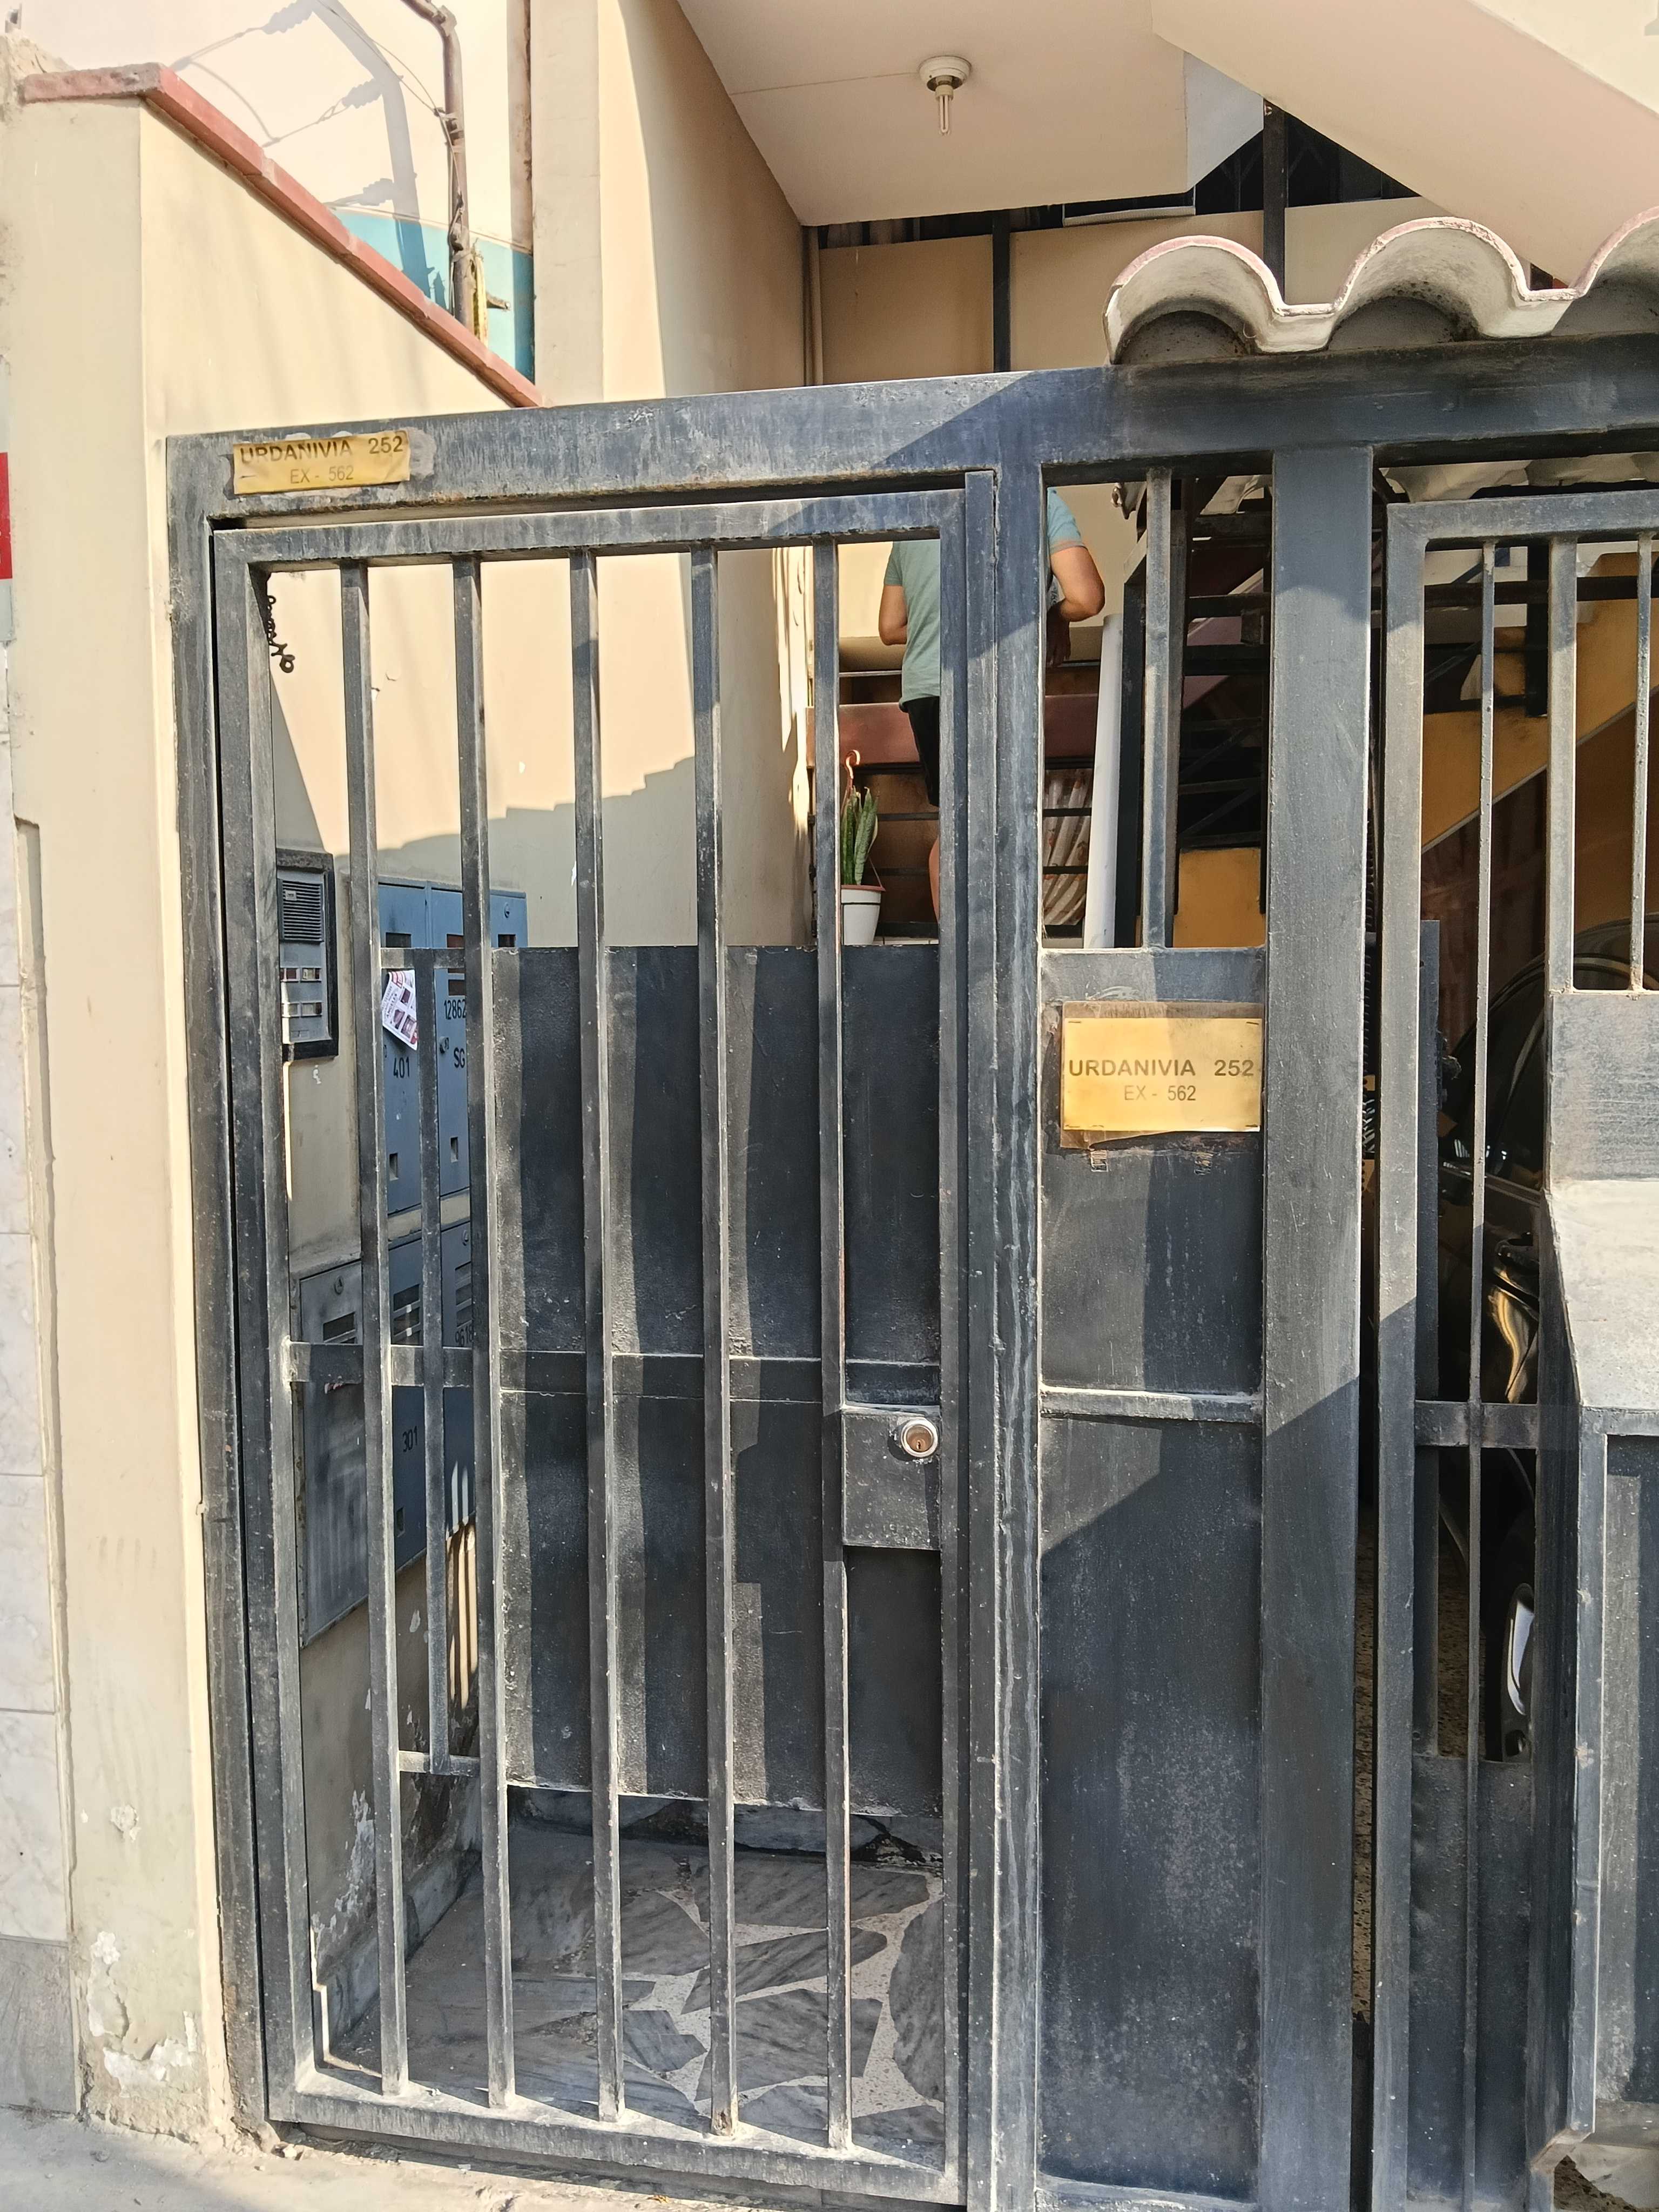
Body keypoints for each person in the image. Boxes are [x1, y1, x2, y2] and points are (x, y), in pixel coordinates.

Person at [879, 490, 1105, 914]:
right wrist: (1051, 614)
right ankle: (1003, 941)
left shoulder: (917, 513)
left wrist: (949, 628)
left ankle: (954, 945)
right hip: (997, 683)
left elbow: (890, 627)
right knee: (1004, 823)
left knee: (956, 827)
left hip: (928, 687)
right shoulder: (1037, 497)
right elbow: (1087, 597)